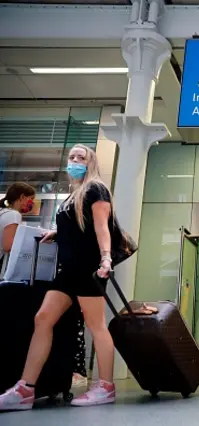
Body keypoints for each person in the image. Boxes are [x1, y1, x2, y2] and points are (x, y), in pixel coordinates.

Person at [0, 144, 118, 410]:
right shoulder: (72, 195)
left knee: (96, 324)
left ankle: (106, 386)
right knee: (43, 318)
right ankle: (25, 389)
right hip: (68, 270)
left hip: (89, 267)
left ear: (91, 162)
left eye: (81, 157)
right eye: (72, 156)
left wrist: (106, 258)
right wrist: (56, 233)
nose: (75, 160)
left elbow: (101, 226)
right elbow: (76, 227)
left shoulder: (96, 189)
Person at [0, 182, 36, 259]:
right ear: (22, 197)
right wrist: (34, 242)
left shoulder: (3, 211)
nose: (32, 203)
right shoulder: (14, 214)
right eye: (31, 198)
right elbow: (8, 246)